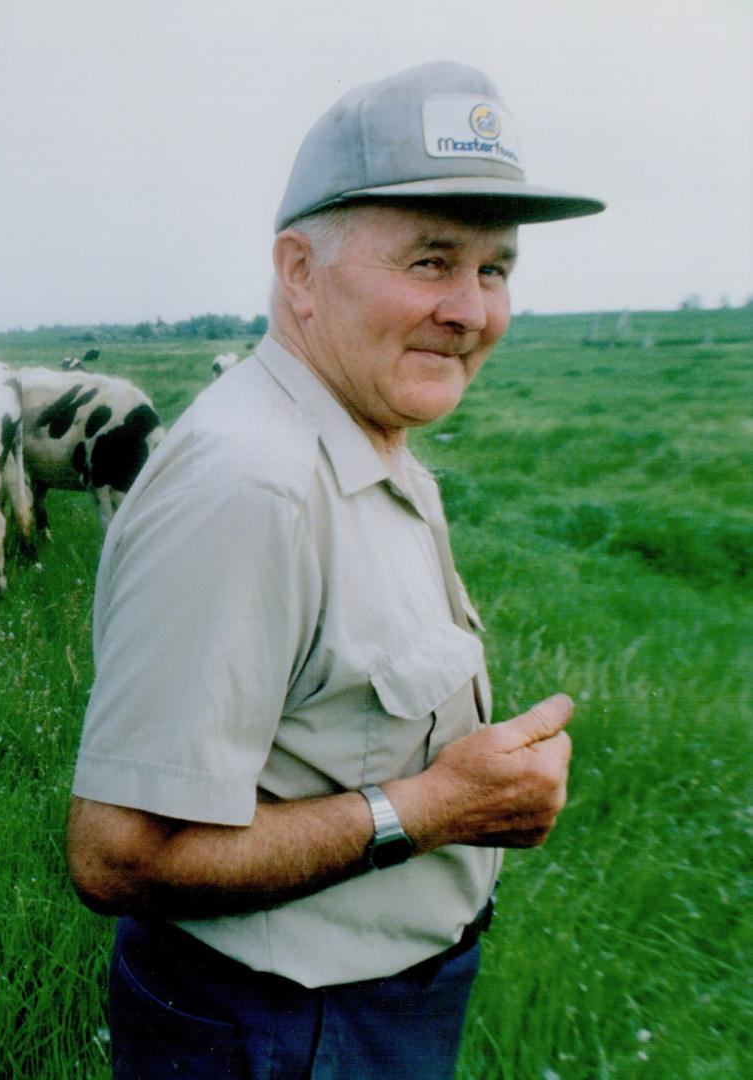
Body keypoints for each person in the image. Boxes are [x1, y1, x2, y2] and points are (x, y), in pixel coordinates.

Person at [66, 61, 604, 1078]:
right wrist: (436, 808)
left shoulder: (364, 434)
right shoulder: (252, 486)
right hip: (284, 1032)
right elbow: (116, 853)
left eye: (494, 270)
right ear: (299, 273)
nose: (469, 310)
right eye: (430, 260)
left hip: (353, 1014)